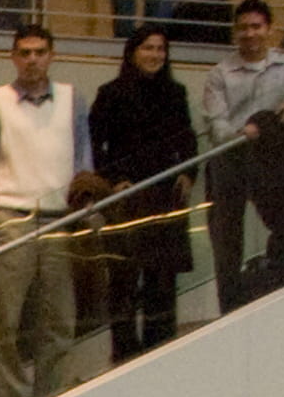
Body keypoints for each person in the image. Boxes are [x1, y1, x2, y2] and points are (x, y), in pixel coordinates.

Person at [0, 26, 95, 397]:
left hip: (58, 220)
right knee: (5, 322)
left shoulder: (73, 100)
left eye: (40, 52)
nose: (33, 59)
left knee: (58, 319)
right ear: (13, 57)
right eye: (25, 52)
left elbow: (83, 160)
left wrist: (84, 204)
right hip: (12, 219)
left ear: (52, 55)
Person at [196, 0, 284, 307]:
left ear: (269, 29)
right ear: (234, 32)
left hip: (271, 161)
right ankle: (229, 305)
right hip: (231, 158)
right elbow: (216, 122)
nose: (250, 34)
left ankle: (270, 269)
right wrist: (240, 135)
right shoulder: (220, 73)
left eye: (256, 27)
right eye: (243, 28)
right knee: (226, 240)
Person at [87, 31, 202, 361]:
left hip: (166, 197)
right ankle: (124, 356)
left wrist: (188, 172)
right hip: (127, 199)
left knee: (163, 283)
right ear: (132, 52)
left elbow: (188, 139)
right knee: (123, 282)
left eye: (161, 48)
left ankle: (160, 355)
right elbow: (94, 145)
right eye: (148, 48)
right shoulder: (110, 94)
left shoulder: (176, 93)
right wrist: (111, 180)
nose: (155, 54)